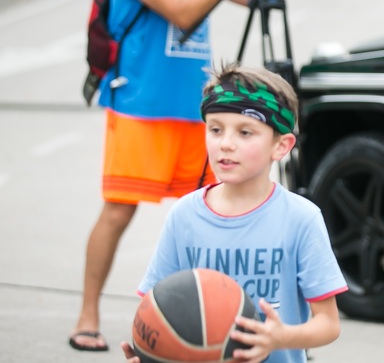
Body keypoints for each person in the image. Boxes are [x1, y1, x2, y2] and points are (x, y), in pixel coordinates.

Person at [69, 0, 293, 353]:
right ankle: (88, 315)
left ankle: (216, 318)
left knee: (216, 212)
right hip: (141, 106)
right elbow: (184, 13)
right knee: (118, 211)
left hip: (196, 115)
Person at [120, 62, 347, 363]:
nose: (226, 144)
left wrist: (281, 338)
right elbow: (156, 307)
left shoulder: (301, 218)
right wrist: (150, 352)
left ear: (281, 146)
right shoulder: (184, 215)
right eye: (215, 129)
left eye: (245, 132)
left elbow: (329, 325)